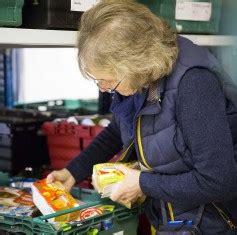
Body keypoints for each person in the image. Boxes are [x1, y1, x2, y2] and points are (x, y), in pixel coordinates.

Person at [47, 1, 237, 234]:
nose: (105, 88)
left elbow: (219, 182)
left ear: (135, 63)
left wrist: (141, 183)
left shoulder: (194, 85)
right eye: (98, 81)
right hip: (172, 219)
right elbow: (120, 128)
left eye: (108, 80)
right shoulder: (143, 80)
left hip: (211, 223)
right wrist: (73, 171)